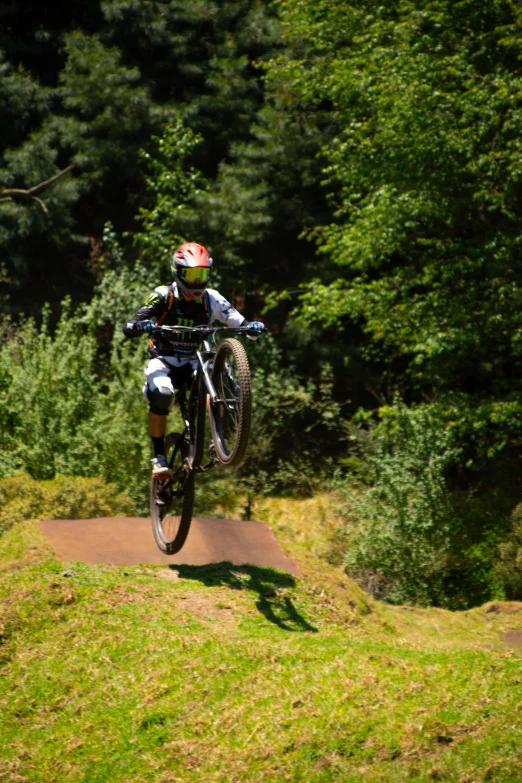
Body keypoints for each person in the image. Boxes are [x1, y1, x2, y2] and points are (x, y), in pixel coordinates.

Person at [123, 242, 265, 478]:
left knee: (216, 378)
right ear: (178, 272)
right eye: (191, 275)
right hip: (164, 361)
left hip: (193, 361)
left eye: (202, 275)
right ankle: (159, 456)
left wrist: (252, 328)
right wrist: (138, 326)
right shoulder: (163, 295)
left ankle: (218, 438)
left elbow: (240, 323)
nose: (198, 283)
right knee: (162, 395)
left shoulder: (212, 299)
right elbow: (131, 323)